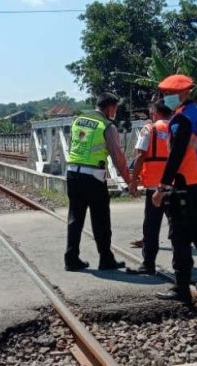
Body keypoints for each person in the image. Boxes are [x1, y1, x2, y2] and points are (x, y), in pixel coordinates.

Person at [152, 74, 197, 303]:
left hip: (186, 185)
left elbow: (176, 157)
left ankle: (181, 288)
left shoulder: (181, 120)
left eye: (168, 95)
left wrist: (162, 187)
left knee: (180, 236)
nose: (165, 98)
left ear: (182, 94)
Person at [64, 92, 131, 271]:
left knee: (75, 217)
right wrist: (128, 181)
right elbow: (117, 157)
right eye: (115, 108)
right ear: (110, 107)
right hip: (93, 176)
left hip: (72, 173)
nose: (115, 111)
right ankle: (105, 259)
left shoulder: (78, 120)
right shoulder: (107, 125)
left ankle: (71, 258)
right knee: (101, 219)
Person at [126, 100, 173, 275]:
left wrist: (132, 181)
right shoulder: (178, 128)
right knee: (176, 226)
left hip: (155, 185)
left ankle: (148, 264)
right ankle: (183, 266)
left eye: (151, 113)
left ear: (155, 112)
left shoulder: (150, 128)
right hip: (175, 184)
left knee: (151, 226)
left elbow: (140, 155)